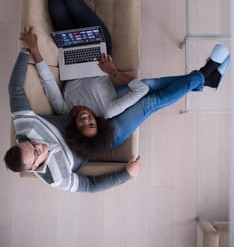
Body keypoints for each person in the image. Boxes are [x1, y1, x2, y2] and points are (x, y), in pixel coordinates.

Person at [19, 26, 230, 161]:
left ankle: (206, 80)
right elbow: (142, 93)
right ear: (98, 123)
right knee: (150, 102)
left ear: (74, 124)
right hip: (111, 135)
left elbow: (48, 82)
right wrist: (115, 72)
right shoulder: (107, 112)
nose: (85, 119)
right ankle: (204, 75)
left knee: (147, 83)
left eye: (82, 123)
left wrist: (35, 50)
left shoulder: (63, 108)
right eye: (90, 123)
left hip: (99, 117)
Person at [4, 47, 141, 192]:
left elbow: (15, 88)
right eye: (36, 153)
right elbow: (90, 186)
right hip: (98, 143)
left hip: (85, 117)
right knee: (148, 104)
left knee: (146, 91)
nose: (39, 146)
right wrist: (126, 174)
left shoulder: (25, 126)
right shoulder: (57, 178)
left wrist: (25, 52)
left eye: (31, 143)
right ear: (33, 167)